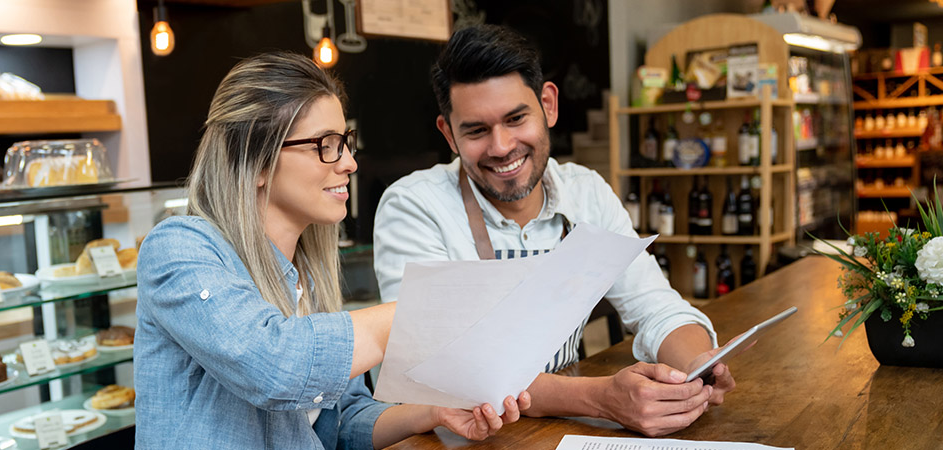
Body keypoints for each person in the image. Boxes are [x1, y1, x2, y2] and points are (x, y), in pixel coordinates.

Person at [135, 52, 529, 449]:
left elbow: (341, 423)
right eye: (326, 145)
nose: (350, 163)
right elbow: (274, 366)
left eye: (345, 142)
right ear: (254, 161)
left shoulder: (307, 272)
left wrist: (435, 412)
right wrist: (427, 308)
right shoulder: (179, 248)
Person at [372, 25, 735, 438]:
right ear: (448, 134)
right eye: (476, 130)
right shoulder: (415, 206)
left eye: (516, 118)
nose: (502, 146)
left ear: (548, 104)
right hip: (447, 439)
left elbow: (657, 306)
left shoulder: (587, 193)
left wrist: (694, 371)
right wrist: (600, 399)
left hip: (555, 431)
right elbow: (444, 369)